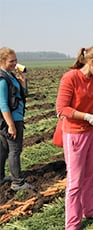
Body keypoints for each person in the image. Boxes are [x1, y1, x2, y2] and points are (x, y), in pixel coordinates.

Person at [56, 45, 93, 230]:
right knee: (75, 180)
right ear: (92, 61)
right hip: (75, 133)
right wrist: (87, 117)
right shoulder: (70, 77)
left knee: (90, 174)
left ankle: (90, 210)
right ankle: (72, 224)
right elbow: (62, 108)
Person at [0, 47, 32, 190]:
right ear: (2, 61)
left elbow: (23, 94)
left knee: (4, 150)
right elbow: (3, 104)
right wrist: (11, 125)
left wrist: (23, 80)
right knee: (15, 150)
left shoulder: (11, 75)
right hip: (11, 119)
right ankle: (17, 182)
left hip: (11, 118)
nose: (15, 63)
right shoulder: (2, 79)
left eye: (16, 60)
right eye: (11, 61)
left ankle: (1, 177)